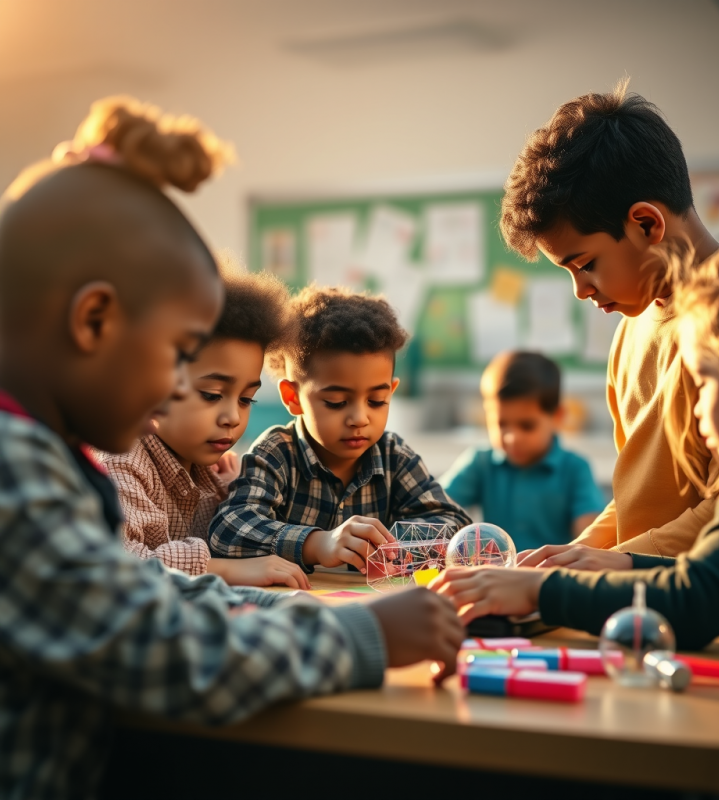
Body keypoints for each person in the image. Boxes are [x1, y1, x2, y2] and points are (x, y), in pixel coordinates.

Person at [0, 97, 463, 800]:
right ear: (94, 320)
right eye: (177, 355)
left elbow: (150, 598)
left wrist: (302, 614)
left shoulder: (47, 453)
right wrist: (361, 637)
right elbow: (159, 650)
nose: (172, 389)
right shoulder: (13, 473)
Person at [432, 226, 719, 651]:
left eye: (705, 384)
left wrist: (541, 592)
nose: (697, 415)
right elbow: (702, 575)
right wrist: (613, 568)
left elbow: (697, 599)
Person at [499, 81, 719, 570]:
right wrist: (581, 552)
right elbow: (636, 496)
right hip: (640, 592)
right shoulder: (631, 327)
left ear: (646, 225)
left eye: (586, 264)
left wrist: (616, 564)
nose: (581, 291)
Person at [209, 285, 472, 574]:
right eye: (336, 402)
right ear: (293, 398)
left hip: (377, 607)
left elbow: (455, 525)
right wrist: (317, 544)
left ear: (391, 392)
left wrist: (391, 544)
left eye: (376, 401)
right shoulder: (277, 453)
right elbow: (228, 529)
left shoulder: (393, 456)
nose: (359, 418)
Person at [100, 260, 310, 588]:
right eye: (212, 395)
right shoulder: (122, 461)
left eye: (246, 399)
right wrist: (222, 568)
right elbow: (117, 563)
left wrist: (233, 495)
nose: (233, 417)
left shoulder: (216, 471)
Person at [440, 351, 604, 551]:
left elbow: (590, 537)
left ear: (557, 417)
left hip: (550, 576)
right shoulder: (480, 462)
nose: (512, 437)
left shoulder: (575, 469)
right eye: (501, 424)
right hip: (494, 576)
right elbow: (436, 508)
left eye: (527, 426)